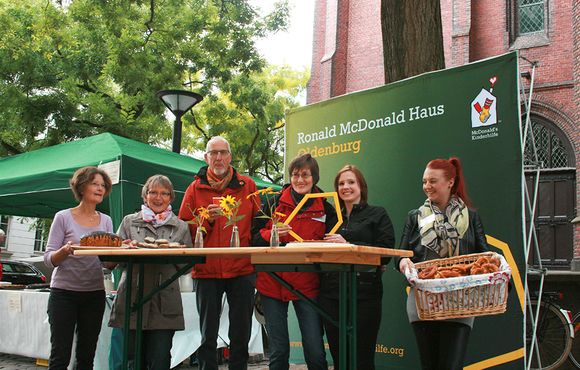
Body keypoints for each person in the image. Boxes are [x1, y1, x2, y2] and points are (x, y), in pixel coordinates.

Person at [396, 157, 488, 370]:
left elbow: (483, 254)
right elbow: (400, 254)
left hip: (460, 302)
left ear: (450, 182)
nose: (427, 186)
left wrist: (498, 274)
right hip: (423, 301)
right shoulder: (415, 217)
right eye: (424, 181)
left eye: (433, 181)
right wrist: (403, 262)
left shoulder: (471, 217)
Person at [178, 136, 260, 370]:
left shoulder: (247, 185)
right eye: (213, 153)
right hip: (207, 269)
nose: (219, 157)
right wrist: (206, 220)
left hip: (241, 269)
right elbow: (184, 228)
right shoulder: (195, 188)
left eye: (223, 152)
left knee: (240, 332)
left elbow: (257, 225)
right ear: (206, 157)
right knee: (207, 333)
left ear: (230, 156)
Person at [252, 153, 335, 370]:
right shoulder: (272, 203)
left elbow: (335, 239)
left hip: (308, 284)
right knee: (279, 351)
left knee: (315, 350)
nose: (300, 180)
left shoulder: (326, 206)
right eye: (295, 174)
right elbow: (251, 238)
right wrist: (271, 234)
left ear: (314, 177)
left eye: (305, 175)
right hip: (272, 283)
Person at [108, 175, 193, 369]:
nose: (158, 197)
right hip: (132, 299)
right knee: (130, 361)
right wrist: (123, 248)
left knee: (160, 360)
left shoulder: (181, 226)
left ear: (171, 198)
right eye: (153, 192)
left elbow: (188, 266)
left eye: (164, 193)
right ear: (145, 195)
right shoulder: (129, 222)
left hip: (165, 302)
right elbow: (111, 261)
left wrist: (178, 253)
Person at [318, 164, 395, 370]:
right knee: (339, 357)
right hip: (331, 295)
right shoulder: (331, 218)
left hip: (365, 295)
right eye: (341, 183)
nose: (346, 187)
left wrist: (349, 246)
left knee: (362, 357)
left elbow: (386, 252)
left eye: (351, 182)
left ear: (361, 186)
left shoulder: (378, 214)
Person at [43, 166, 113, 370]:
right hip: (63, 294)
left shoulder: (106, 220)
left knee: (86, 356)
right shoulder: (63, 217)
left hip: (94, 294)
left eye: (103, 185)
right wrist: (65, 250)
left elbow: (107, 263)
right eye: (94, 184)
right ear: (81, 187)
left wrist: (122, 253)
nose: (100, 188)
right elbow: (49, 258)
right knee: (60, 356)